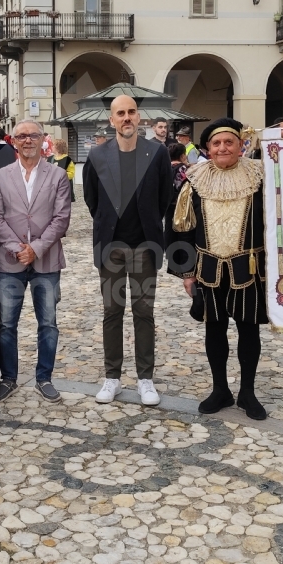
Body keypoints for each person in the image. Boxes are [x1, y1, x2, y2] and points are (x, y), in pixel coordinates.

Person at [169, 119, 269, 419]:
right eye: (216, 143)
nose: (223, 147)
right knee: (214, 330)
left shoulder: (261, 177)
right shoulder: (195, 180)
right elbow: (180, 229)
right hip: (207, 269)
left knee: (248, 331)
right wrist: (186, 272)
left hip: (249, 268)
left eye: (229, 142)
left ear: (241, 146)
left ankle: (248, 393)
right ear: (208, 149)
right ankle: (220, 389)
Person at [82, 95, 175, 406]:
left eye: (131, 112)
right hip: (111, 247)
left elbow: (164, 198)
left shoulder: (157, 153)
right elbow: (93, 201)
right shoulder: (97, 155)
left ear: (139, 117)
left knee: (143, 313)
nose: (126, 118)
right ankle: (112, 377)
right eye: (120, 113)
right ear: (112, 120)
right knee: (112, 312)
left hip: (144, 248)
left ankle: (145, 379)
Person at [0, 119, 72, 403]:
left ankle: (44, 377)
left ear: (42, 140)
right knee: (6, 324)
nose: (27, 140)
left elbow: (62, 219)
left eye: (33, 135)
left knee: (48, 323)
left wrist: (35, 249)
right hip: (9, 263)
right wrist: (16, 248)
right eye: (22, 136)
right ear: (13, 141)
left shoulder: (58, 176)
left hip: (46, 261)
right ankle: (8, 378)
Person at [48, 138, 76, 202]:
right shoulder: (50, 159)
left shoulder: (67, 159)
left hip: (64, 187)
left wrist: (60, 177)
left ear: (58, 147)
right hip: (52, 187)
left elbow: (71, 173)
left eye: (53, 145)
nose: (51, 147)